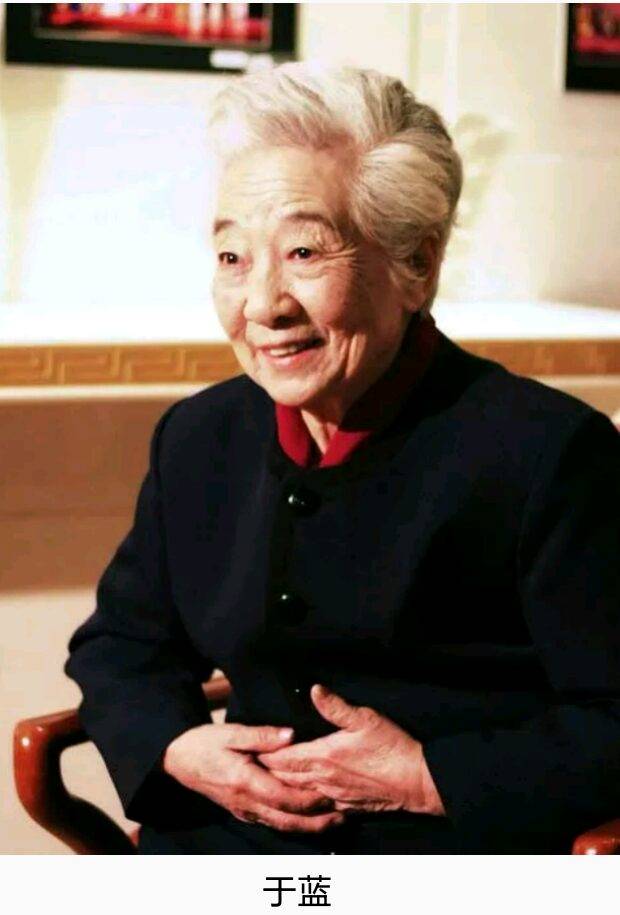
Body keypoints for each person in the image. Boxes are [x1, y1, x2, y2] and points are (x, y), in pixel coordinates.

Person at [65, 64, 620, 855]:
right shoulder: (198, 435)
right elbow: (120, 645)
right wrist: (179, 746)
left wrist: (430, 776)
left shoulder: (549, 454)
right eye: (232, 258)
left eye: (303, 251)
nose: (263, 305)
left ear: (416, 266)